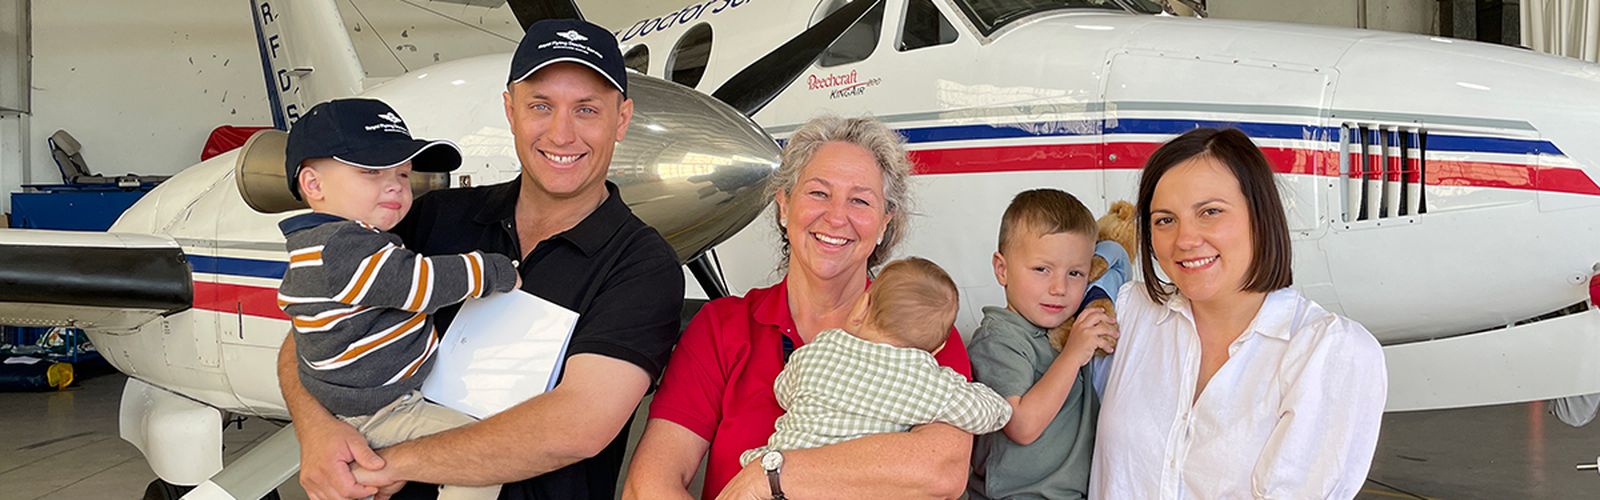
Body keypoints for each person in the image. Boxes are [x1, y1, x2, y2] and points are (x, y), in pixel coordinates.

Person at [276, 18, 685, 500]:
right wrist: (316, 429)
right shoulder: (431, 218)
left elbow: (578, 425)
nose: (561, 133)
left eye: (587, 110)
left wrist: (388, 464)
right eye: (540, 105)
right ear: (510, 110)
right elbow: (313, 330)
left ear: (621, 119)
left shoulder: (641, 265)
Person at [622, 116, 976, 500]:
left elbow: (942, 470)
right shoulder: (723, 327)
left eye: (859, 200)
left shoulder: (920, 327)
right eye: (818, 193)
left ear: (884, 224)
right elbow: (648, 484)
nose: (837, 217)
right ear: (784, 206)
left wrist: (769, 475)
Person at [1090, 128, 1387, 499]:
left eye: (1210, 212)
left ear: (1259, 216)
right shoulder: (1128, 312)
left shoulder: (1329, 352)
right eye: (1165, 219)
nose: (1185, 239)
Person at [276, 97, 518, 500]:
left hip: (353, 408)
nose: (394, 185)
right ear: (313, 184)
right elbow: (420, 284)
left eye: (403, 175)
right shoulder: (345, 249)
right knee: (482, 459)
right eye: (371, 170)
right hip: (383, 410)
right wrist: (492, 270)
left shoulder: (316, 247)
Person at [740, 257, 1011, 467]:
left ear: (861, 307)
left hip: (779, 471)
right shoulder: (924, 381)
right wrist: (995, 402)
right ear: (938, 347)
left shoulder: (822, 347)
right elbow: (986, 413)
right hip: (852, 483)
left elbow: (783, 390)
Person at [966, 188, 1125, 500]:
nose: (1059, 288)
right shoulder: (999, 337)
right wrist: (1073, 354)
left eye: (1075, 273)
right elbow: (1021, 426)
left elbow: (1117, 256)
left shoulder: (1069, 330)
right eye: (1042, 269)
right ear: (1002, 269)